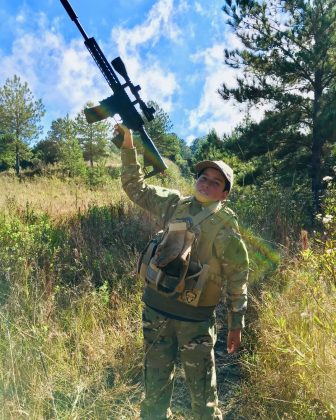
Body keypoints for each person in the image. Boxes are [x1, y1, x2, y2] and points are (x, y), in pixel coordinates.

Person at [115, 124, 249, 420]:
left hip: (195, 323)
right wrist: (128, 146)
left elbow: (238, 277)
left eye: (216, 182)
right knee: (154, 390)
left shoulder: (227, 227)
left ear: (224, 193)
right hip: (156, 313)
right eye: (203, 177)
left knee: (203, 399)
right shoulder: (174, 204)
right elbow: (135, 188)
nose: (206, 183)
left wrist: (235, 324)